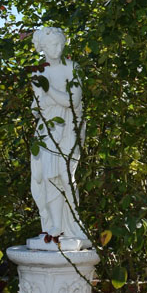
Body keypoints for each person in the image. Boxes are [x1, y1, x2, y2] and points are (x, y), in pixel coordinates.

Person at [30, 27, 88, 244]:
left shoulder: (72, 68)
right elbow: (38, 106)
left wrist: (48, 91)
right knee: (47, 176)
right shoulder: (39, 72)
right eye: (52, 45)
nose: (57, 49)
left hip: (69, 125)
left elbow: (73, 101)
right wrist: (46, 98)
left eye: (60, 44)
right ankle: (54, 225)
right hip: (48, 128)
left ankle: (74, 224)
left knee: (65, 175)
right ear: (43, 48)